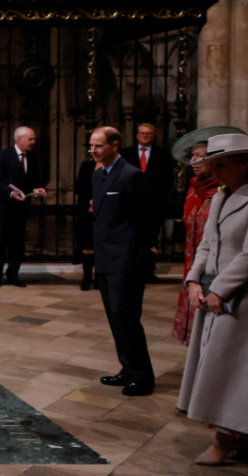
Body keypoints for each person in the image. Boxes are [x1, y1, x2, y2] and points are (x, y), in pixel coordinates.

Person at [176, 132, 248, 465]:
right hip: (213, 296)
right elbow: (207, 244)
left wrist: (221, 289)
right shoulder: (219, 197)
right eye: (211, 164)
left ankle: (224, 440)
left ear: (243, 165)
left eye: (221, 164)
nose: (214, 171)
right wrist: (193, 281)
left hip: (239, 299)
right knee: (214, 368)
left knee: (231, 372)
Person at [89, 126, 157, 396]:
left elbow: (148, 216)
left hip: (126, 258)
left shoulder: (131, 175)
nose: (93, 150)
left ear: (115, 145)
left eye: (98, 146)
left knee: (126, 316)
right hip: (105, 256)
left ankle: (142, 376)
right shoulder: (98, 176)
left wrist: (141, 251)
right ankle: (127, 368)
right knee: (114, 317)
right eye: (91, 146)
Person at [171, 128, 238, 344]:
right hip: (193, 263)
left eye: (203, 156)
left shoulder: (222, 192)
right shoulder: (193, 191)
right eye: (194, 155)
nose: (196, 160)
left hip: (217, 267)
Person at [0, 126, 47, 288]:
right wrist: (9, 192)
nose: (34, 142)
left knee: (18, 244)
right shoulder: (3, 156)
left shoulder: (33, 158)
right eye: (31, 139)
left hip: (21, 209)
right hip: (3, 208)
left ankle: (13, 274)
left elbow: (33, 181)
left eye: (34, 139)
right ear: (20, 139)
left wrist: (37, 190)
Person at [120, 122, 172, 279]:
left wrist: (158, 199)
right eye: (142, 133)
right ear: (137, 135)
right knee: (131, 236)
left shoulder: (162, 154)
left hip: (153, 204)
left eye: (148, 134)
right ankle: (130, 268)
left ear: (153, 136)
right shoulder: (125, 153)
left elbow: (168, 179)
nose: (145, 136)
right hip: (130, 204)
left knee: (151, 238)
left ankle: (148, 270)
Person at [74, 156, 99, 291]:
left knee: (102, 246)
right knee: (88, 244)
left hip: (106, 212)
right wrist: (89, 203)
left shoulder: (114, 166)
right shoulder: (87, 166)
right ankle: (87, 277)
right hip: (87, 211)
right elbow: (79, 187)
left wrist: (100, 201)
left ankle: (100, 279)